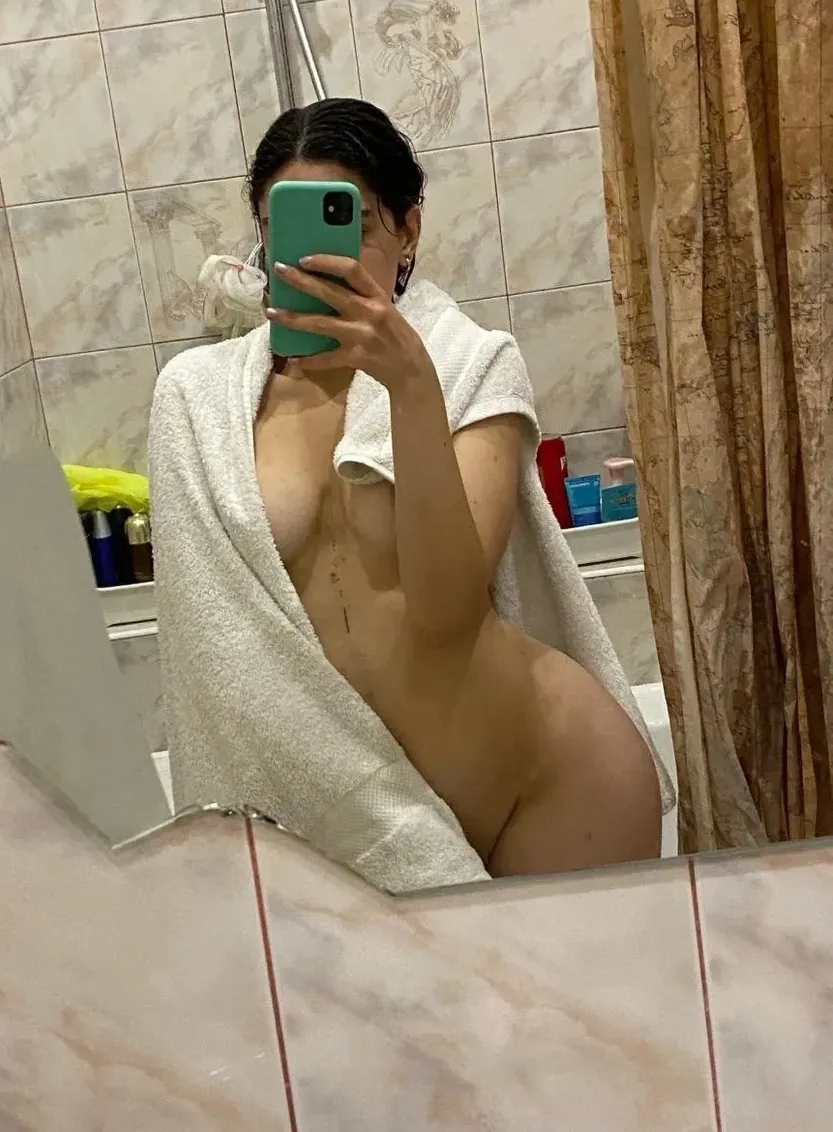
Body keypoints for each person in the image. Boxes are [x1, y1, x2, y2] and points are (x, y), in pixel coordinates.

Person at [159, 98, 663, 879]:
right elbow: (213, 656)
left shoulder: (469, 364)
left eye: (352, 226)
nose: (318, 260)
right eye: (283, 230)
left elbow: (444, 612)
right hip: (341, 822)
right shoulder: (200, 399)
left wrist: (409, 387)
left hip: (547, 780)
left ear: (408, 229)